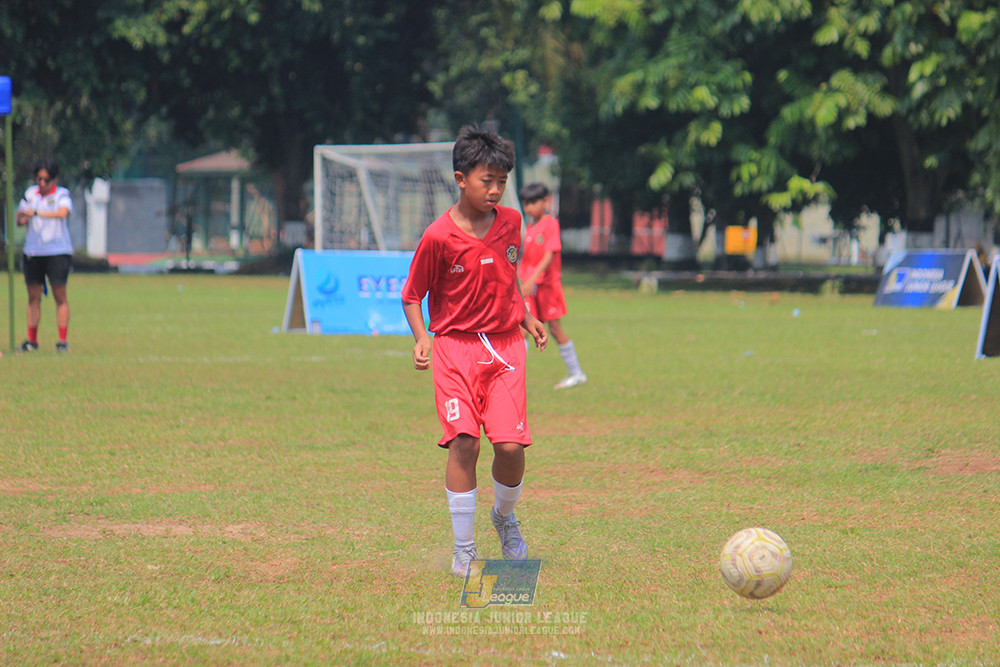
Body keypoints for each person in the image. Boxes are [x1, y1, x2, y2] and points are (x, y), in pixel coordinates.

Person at [402, 126, 547, 577]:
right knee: (464, 443)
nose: (496, 190)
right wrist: (422, 337)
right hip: (454, 350)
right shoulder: (438, 237)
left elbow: (505, 283)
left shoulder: (512, 223)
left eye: (503, 181)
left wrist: (525, 317)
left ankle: (504, 518)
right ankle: (464, 550)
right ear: (461, 178)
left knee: (508, 446)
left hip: (505, 347)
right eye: (488, 180)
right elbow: (412, 295)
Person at [518, 182, 587, 389]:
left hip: (548, 287)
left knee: (555, 329)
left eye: (533, 202)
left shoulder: (550, 224)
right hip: (530, 288)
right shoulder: (529, 228)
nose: (529, 208)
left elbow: (549, 255)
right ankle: (516, 378)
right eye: (526, 203)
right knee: (522, 329)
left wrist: (532, 279)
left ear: (546, 201)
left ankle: (576, 373)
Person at [16, 160, 74, 353]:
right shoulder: (30, 194)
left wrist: (37, 212)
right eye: (39, 179)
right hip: (33, 252)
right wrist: (22, 216)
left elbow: (62, 213)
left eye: (46, 180)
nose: (41, 183)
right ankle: (32, 341)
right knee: (33, 297)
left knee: (60, 295)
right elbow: (20, 218)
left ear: (54, 179)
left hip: (57, 252)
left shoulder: (61, 195)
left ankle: (62, 341)